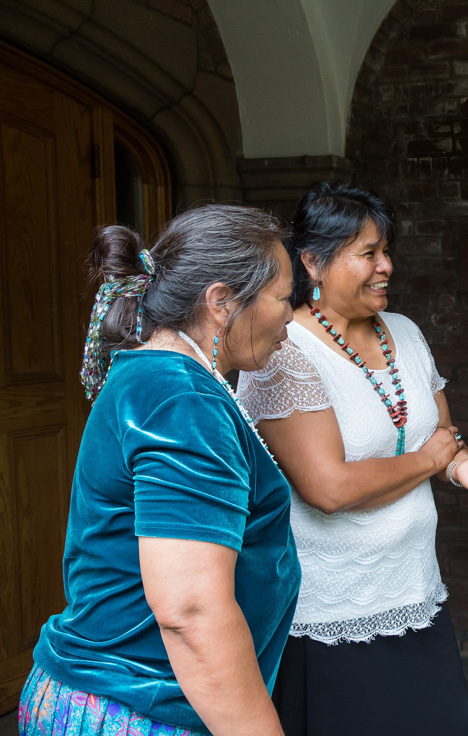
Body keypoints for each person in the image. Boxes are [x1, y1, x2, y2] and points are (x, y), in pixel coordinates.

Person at [237, 181, 468, 736]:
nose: (386, 266)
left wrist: (462, 467)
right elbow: (330, 490)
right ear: (314, 263)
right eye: (367, 254)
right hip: (332, 609)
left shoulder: (405, 334)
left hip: (415, 589)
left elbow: (440, 435)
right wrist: (428, 460)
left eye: (386, 250)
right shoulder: (282, 351)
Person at [20, 205, 301, 736]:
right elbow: (190, 610)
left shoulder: (159, 378)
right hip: (135, 711)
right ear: (221, 302)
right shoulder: (181, 399)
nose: (291, 313)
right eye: (284, 296)